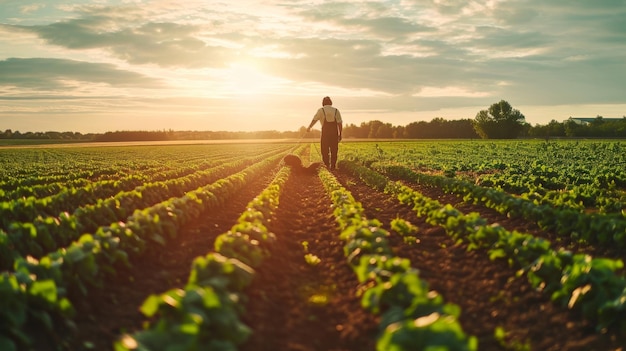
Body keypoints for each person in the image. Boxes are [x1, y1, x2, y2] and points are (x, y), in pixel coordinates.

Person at [307, 96, 343, 170]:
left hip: (325, 133)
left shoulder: (321, 110)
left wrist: (309, 127)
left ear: (323, 103)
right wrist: (340, 134)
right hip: (334, 133)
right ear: (331, 102)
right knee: (334, 150)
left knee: (324, 149)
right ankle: (333, 166)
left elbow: (314, 120)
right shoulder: (336, 110)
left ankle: (326, 165)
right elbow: (339, 123)